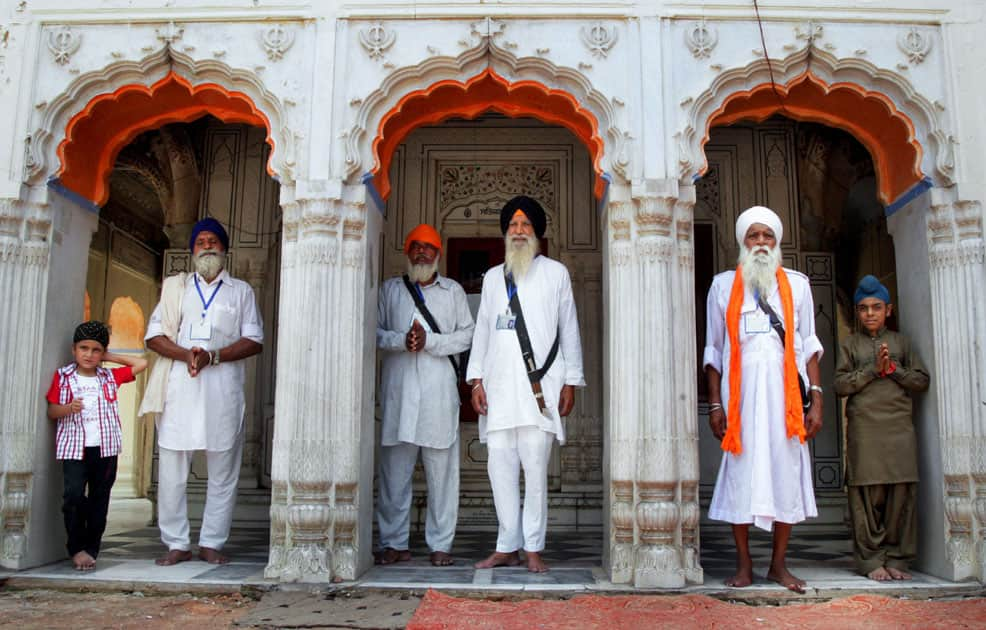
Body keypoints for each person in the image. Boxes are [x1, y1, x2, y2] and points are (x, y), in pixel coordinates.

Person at [703, 205, 824, 593]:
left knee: (786, 474)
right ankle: (743, 564)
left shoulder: (798, 285)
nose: (760, 243)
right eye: (753, 236)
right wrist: (715, 404)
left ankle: (778, 565)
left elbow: (808, 346)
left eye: (766, 236)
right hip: (739, 403)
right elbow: (714, 350)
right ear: (742, 242)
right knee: (741, 476)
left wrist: (817, 399)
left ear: (777, 242)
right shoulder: (723, 286)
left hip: (787, 401)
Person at [467, 195, 585, 573]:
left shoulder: (556, 274)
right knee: (500, 470)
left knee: (535, 473)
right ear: (506, 233)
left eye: (525, 226)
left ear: (536, 233)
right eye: (513, 226)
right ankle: (506, 546)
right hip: (499, 390)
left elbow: (569, 329)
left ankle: (533, 546)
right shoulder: (490, 278)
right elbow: (483, 330)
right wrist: (476, 381)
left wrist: (571, 381)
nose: (518, 232)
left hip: (541, 390)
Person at [143, 217, 264, 566]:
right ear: (193, 250)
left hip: (222, 392)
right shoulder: (175, 288)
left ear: (224, 249)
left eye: (213, 241)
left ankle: (212, 542)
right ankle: (176, 543)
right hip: (181, 390)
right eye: (201, 241)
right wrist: (187, 355)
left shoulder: (241, 291)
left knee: (223, 471)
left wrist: (214, 356)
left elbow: (254, 339)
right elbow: (153, 336)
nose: (207, 245)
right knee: (172, 472)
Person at [375, 224, 474, 566]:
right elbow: (371, 331)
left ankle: (441, 545)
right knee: (394, 475)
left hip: (438, 397)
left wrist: (430, 342)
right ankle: (394, 543)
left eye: (428, 248)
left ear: (438, 254)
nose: (421, 252)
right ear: (407, 251)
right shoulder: (390, 291)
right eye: (415, 246)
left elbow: (467, 336)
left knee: (442, 475)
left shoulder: (453, 292)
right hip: (399, 396)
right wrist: (400, 340)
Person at [834, 275, 929, 581]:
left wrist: (894, 369)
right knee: (866, 496)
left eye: (876, 307)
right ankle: (870, 560)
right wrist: (872, 371)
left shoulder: (902, 343)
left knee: (900, 494)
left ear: (889, 309)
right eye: (863, 308)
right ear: (857, 312)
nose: (870, 313)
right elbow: (839, 385)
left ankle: (898, 558)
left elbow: (921, 381)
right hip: (865, 431)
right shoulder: (851, 345)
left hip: (899, 430)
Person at [46, 320, 148, 571]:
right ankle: (76, 547)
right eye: (84, 348)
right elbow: (51, 411)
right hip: (74, 448)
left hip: (106, 449)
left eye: (95, 350)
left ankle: (91, 549)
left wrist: (108, 355)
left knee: (99, 499)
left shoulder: (109, 377)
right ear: (74, 350)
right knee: (73, 497)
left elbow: (141, 363)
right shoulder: (63, 376)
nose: (89, 354)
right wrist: (68, 408)